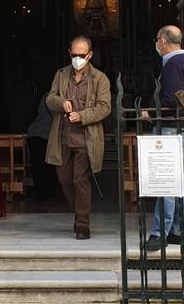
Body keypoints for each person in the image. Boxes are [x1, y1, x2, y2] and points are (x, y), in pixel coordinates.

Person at [45, 36, 111, 240]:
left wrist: (82, 116)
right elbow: (50, 98)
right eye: (74, 55)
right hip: (63, 136)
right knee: (64, 179)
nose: (77, 58)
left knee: (80, 179)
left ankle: (83, 224)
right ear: (69, 53)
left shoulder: (100, 78)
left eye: (81, 55)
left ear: (89, 55)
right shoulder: (62, 74)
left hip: (86, 138)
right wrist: (61, 102)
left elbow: (104, 107)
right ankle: (78, 212)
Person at [142, 25, 184, 251]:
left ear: (163, 41)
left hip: (170, 128)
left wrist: (151, 114)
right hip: (182, 127)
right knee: (178, 180)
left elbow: (171, 101)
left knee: (164, 178)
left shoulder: (173, 65)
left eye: (157, 39)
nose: (156, 44)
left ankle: (160, 232)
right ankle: (179, 231)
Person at [26, 92, 55, 199]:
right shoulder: (52, 97)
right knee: (46, 164)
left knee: (37, 165)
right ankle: (45, 193)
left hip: (33, 133)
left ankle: (40, 193)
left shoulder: (44, 96)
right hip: (44, 134)